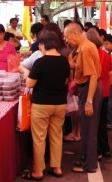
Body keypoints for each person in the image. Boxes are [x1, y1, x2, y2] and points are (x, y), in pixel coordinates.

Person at [23, 31, 70, 181]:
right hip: (60, 104)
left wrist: (26, 74)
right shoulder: (64, 61)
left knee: (39, 138)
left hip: (41, 104)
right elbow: (66, 81)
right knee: (56, 136)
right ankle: (56, 167)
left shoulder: (40, 62)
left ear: (43, 44)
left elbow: (30, 83)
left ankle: (38, 171)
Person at [64, 23, 103, 174]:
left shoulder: (86, 48)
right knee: (88, 127)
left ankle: (89, 164)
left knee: (88, 129)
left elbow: (93, 76)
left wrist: (89, 101)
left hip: (89, 89)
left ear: (75, 33)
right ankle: (87, 158)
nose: (66, 40)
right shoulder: (82, 47)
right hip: (87, 88)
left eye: (67, 37)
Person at [86, 29, 111, 160]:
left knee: (93, 123)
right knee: (102, 121)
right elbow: (109, 73)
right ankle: (105, 148)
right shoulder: (106, 55)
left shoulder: (89, 54)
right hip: (105, 90)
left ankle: (97, 150)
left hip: (94, 90)